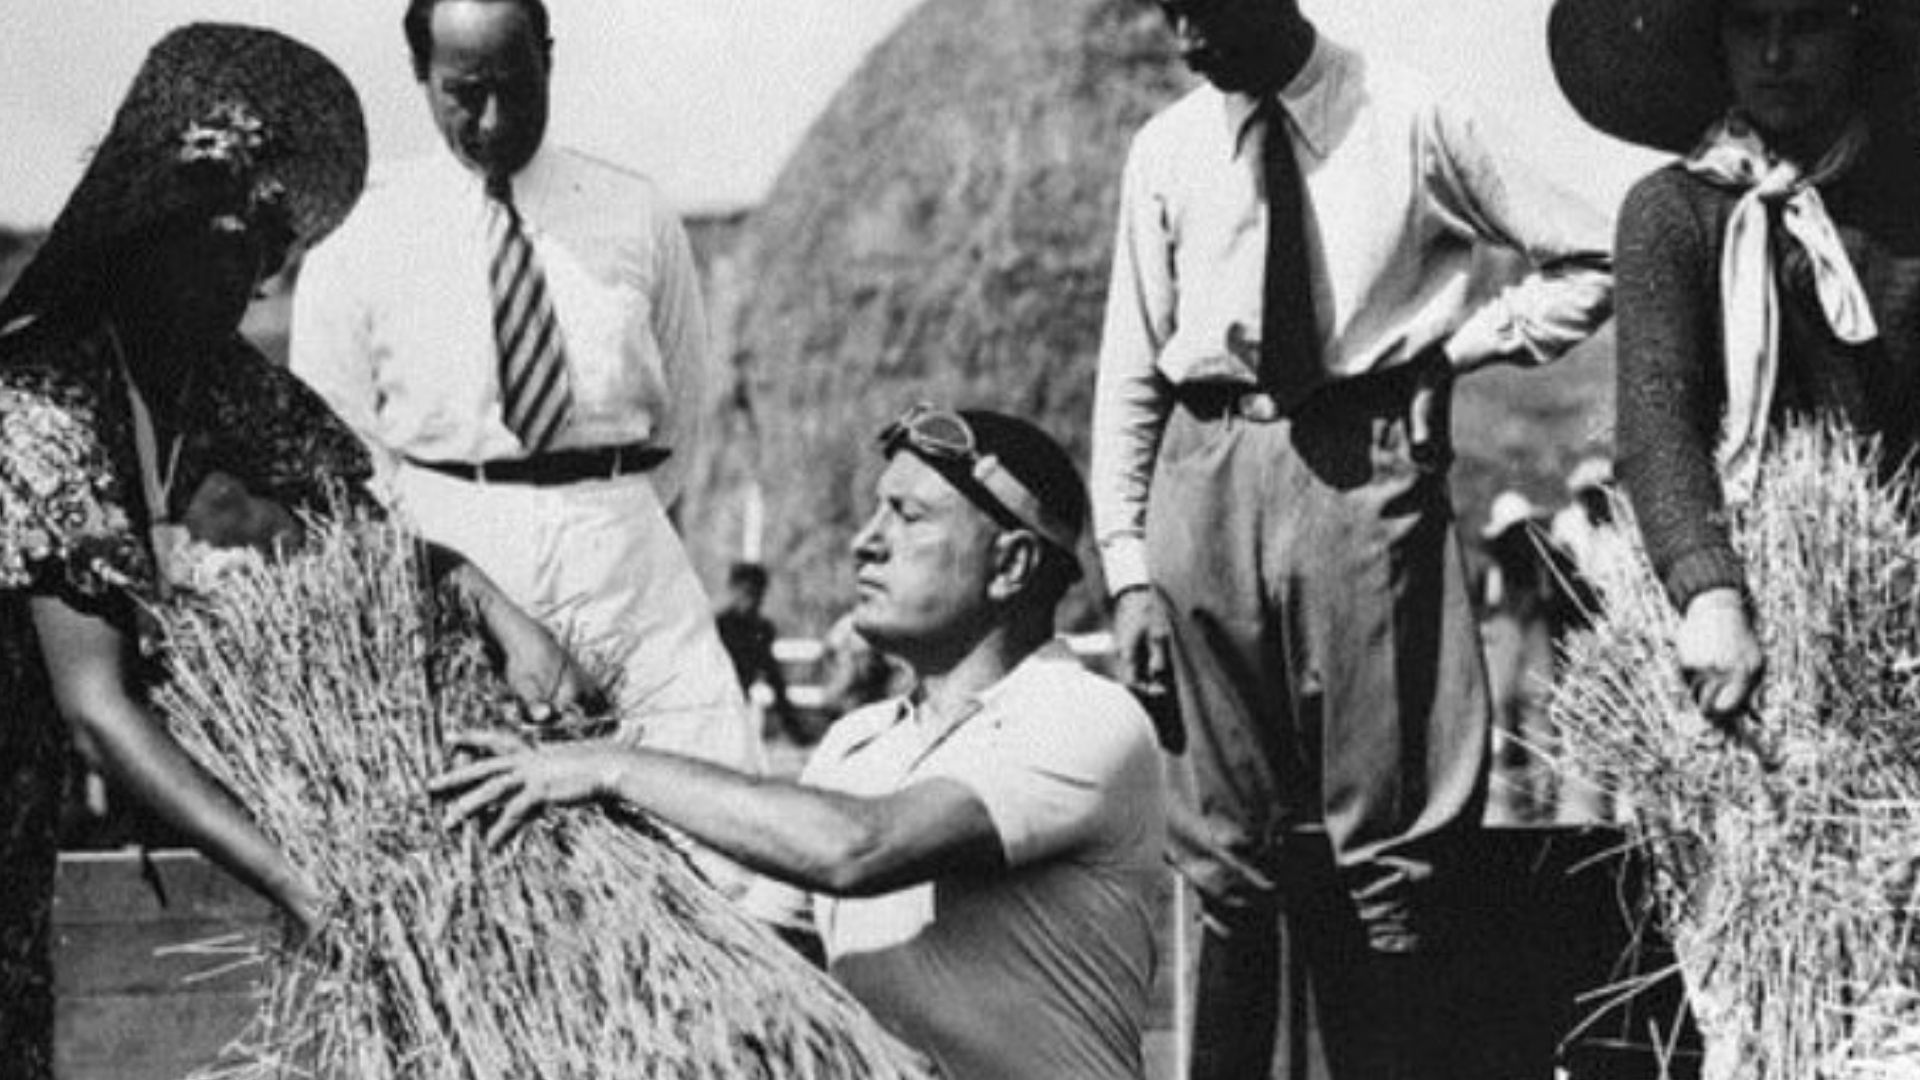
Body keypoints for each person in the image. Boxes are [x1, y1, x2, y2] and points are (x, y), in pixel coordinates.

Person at [0, 24, 595, 1079]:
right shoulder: (38, 402)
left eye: (261, 259)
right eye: (222, 252)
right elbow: (99, 709)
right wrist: (305, 885)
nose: (247, 289)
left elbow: (359, 527)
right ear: (142, 238)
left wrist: (499, 607)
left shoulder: (203, 376)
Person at [1091, 2, 1616, 1075]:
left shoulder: (1413, 115)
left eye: (1203, 9)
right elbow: (1131, 372)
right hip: (1207, 468)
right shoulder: (1170, 148)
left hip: (1361, 468)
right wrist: (1130, 568)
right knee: (1223, 860)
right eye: (1167, 12)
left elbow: (1595, 257)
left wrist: (1458, 351)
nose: (1184, 38)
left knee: (1394, 852)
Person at [434, 406, 1168, 1080]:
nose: (865, 541)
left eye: (909, 516)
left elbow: (856, 848)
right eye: (877, 510)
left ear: (1010, 565)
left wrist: (607, 766)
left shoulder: (1083, 716)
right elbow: (751, 958)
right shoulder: (858, 744)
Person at [291, 0, 758, 770]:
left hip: (623, 556)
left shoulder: (633, 211)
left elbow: (681, 412)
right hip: (448, 552)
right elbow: (334, 450)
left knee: (711, 809)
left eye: (518, 85)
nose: (496, 119)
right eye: (466, 93)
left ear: (549, 56)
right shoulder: (361, 233)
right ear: (421, 74)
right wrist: (454, 568)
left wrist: (596, 517)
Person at [1550, 0, 1920, 721]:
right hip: (1735, 587)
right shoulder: (1674, 213)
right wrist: (1710, 591)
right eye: (1751, 25)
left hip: (1895, 579)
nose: (1776, 55)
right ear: (1717, 40)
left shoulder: (1903, 218)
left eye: (1806, 24)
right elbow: (1660, 423)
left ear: (1855, 34)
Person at [713, 561, 797, 739]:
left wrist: (793, 727)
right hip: (709, 707)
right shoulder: (717, 627)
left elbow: (773, 678)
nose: (751, 601)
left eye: (756, 594)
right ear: (733, 590)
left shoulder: (762, 630)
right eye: (746, 593)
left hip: (738, 709)